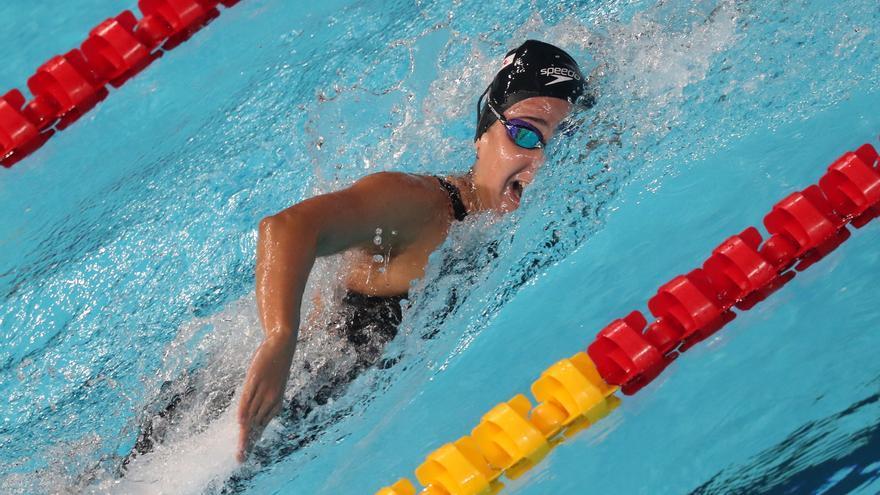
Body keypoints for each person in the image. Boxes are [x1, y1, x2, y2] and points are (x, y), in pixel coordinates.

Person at [236, 39, 590, 461]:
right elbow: (285, 228)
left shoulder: (504, 229)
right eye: (525, 133)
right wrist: (280, 339)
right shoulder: (421, 205)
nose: (541, 161)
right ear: (482, 133)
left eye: (559, 142)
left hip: (302, 425)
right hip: (248, 406)